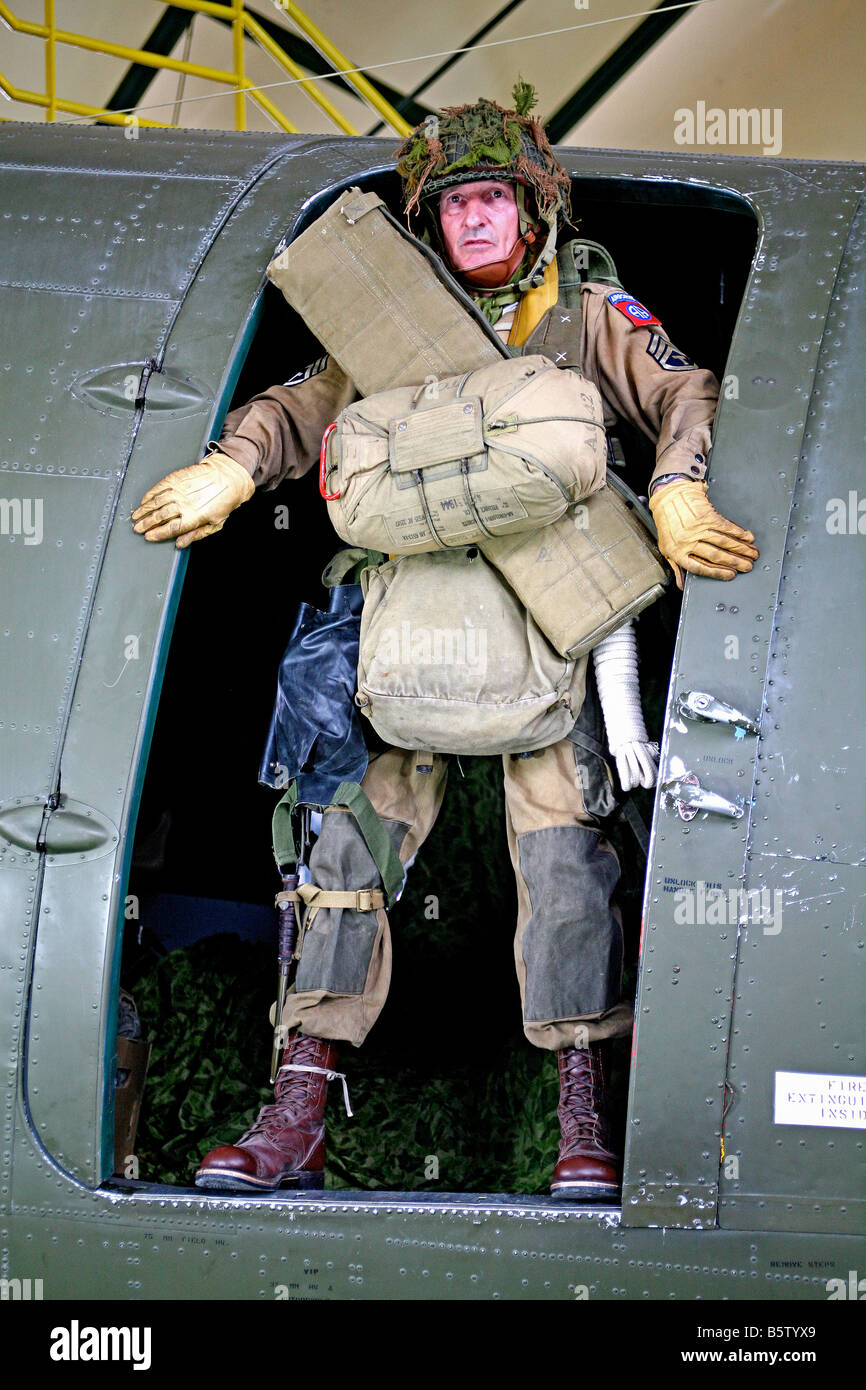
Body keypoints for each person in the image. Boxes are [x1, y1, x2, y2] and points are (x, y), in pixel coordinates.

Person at [132, 85, 758, 1200]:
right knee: (341, 854)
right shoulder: (391, 326)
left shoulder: (589, 312)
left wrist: (672, 488)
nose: (474, 218)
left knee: (567, 863)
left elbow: (681, 391)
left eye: (494, 198)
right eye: (456, 201)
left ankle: (581, 1109)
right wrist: (234, 464)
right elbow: (305, 400)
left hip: (549, 626)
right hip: (411, 621)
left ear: (535, 211)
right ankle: (299, 1103)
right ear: (432, 221)